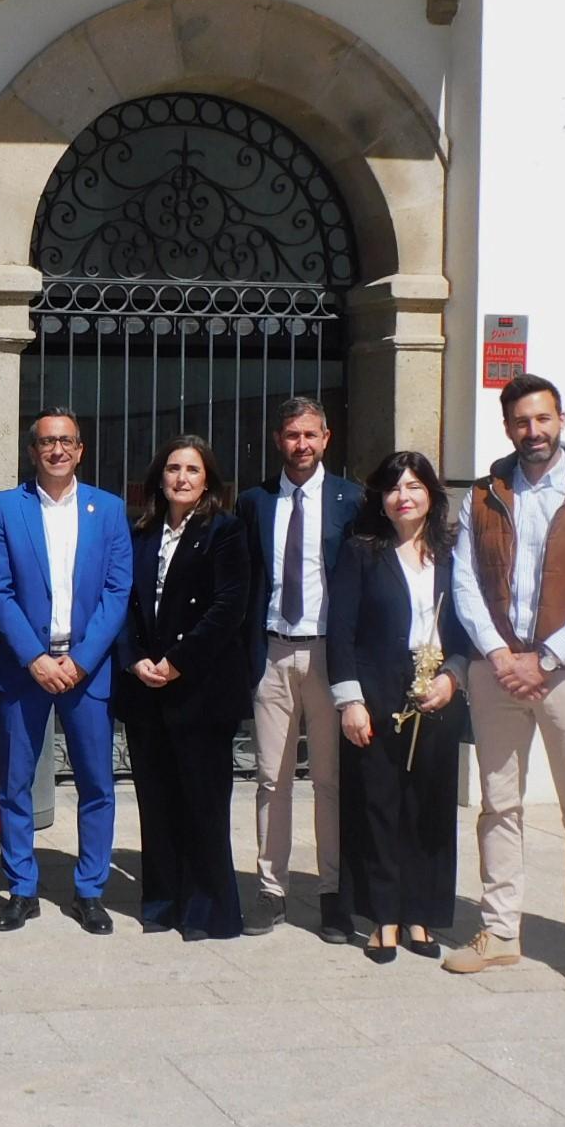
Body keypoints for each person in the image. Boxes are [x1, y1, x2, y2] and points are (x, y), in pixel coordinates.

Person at [445, 373, 565, 998]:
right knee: (500, 805)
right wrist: (499, 654)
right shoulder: (484, 494)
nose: (534, 432)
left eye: (543, 419)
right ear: (506, 427)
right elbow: (464, 581)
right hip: (497, 673)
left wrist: (545, 658)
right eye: (522, 422)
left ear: (561, 419)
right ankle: (499, 933)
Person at [0, 409, 132, 935]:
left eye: (67, 441)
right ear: (32, 450)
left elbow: (117, 592)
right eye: (47, 442)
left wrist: (82, 659)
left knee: (96, 783)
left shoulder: (108, 510)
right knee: (14, 784)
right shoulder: (5, 508)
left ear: (81, 449)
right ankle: (21, 887)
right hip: (25, 667)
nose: (57, 450)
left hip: (87, 667)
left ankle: (90, 890)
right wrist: (36, 658)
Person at [327, 451, 468, 963]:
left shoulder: (454, 554)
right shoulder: (362, 552)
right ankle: (383, 916)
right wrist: (350, 701)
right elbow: (340, 633)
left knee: (428, 808)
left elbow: (467, 628)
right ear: (381, 500)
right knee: (379, 804)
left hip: (438, 691)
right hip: (377, 688)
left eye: (413, 486)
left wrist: (454, 676)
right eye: (393, 489)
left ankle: (421, 915)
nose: (403, 496)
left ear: (431, 494)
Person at [236, 396, 362, 940]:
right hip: (272, 651)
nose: (301, 445)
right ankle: (272, 889)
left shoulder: (352, 500)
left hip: (331, 655)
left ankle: (333, 892)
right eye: (292, 435)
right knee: (271, 778)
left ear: (326, 438)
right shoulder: (255, 502)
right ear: (277, 438)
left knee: (331, 782)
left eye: (310, 434)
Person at [120, 434, 249, 939]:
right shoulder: (142, 532)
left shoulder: (225, 531)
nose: (181, 478)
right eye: (173, 469)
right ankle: (162, 903)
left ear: (208, 480)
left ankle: (207, 910)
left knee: (203, 804)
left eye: (192, 471)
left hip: (200, 688)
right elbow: (124, 604)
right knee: (156, 802)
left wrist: (176, 662)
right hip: (145, 688)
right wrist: (133, 661)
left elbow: (228, 608)